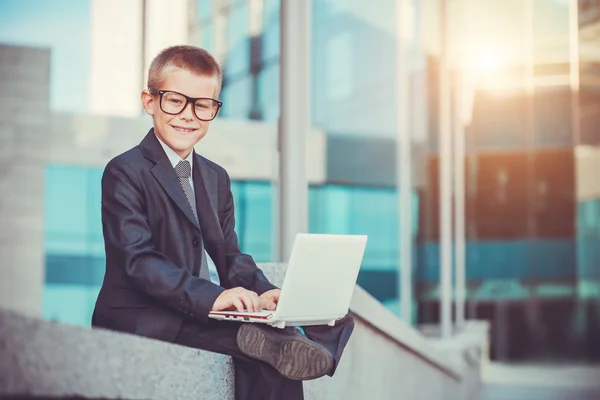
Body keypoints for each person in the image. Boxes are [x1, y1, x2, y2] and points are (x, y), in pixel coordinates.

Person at [91, 45, 355, 400]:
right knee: (268, 349)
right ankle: (286, 343)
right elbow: (139, 261)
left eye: (202, 105)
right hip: (149, 313)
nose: (188, 115)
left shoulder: (215, 177)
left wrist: (265, 293)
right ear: (149, 101)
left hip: (201, 310)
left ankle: (302, 344)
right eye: (175, 101)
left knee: (332, 318)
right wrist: (215, 298)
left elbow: (230, 255)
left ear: (214, 108)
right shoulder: (125, 171)